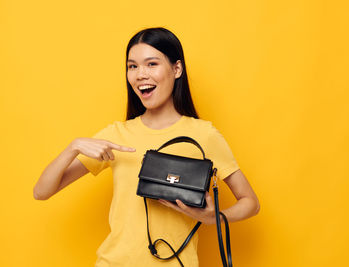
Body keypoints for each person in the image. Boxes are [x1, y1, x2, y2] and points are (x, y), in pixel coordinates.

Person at [33, 27, 260, 267]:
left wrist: (213, 218)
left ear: (177, 69)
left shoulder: (203, 135)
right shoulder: (116, 134)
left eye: (151, 64)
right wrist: (74, 147)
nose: (141, 74)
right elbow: (42, 192)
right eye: (132, 66)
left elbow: (250, 202)